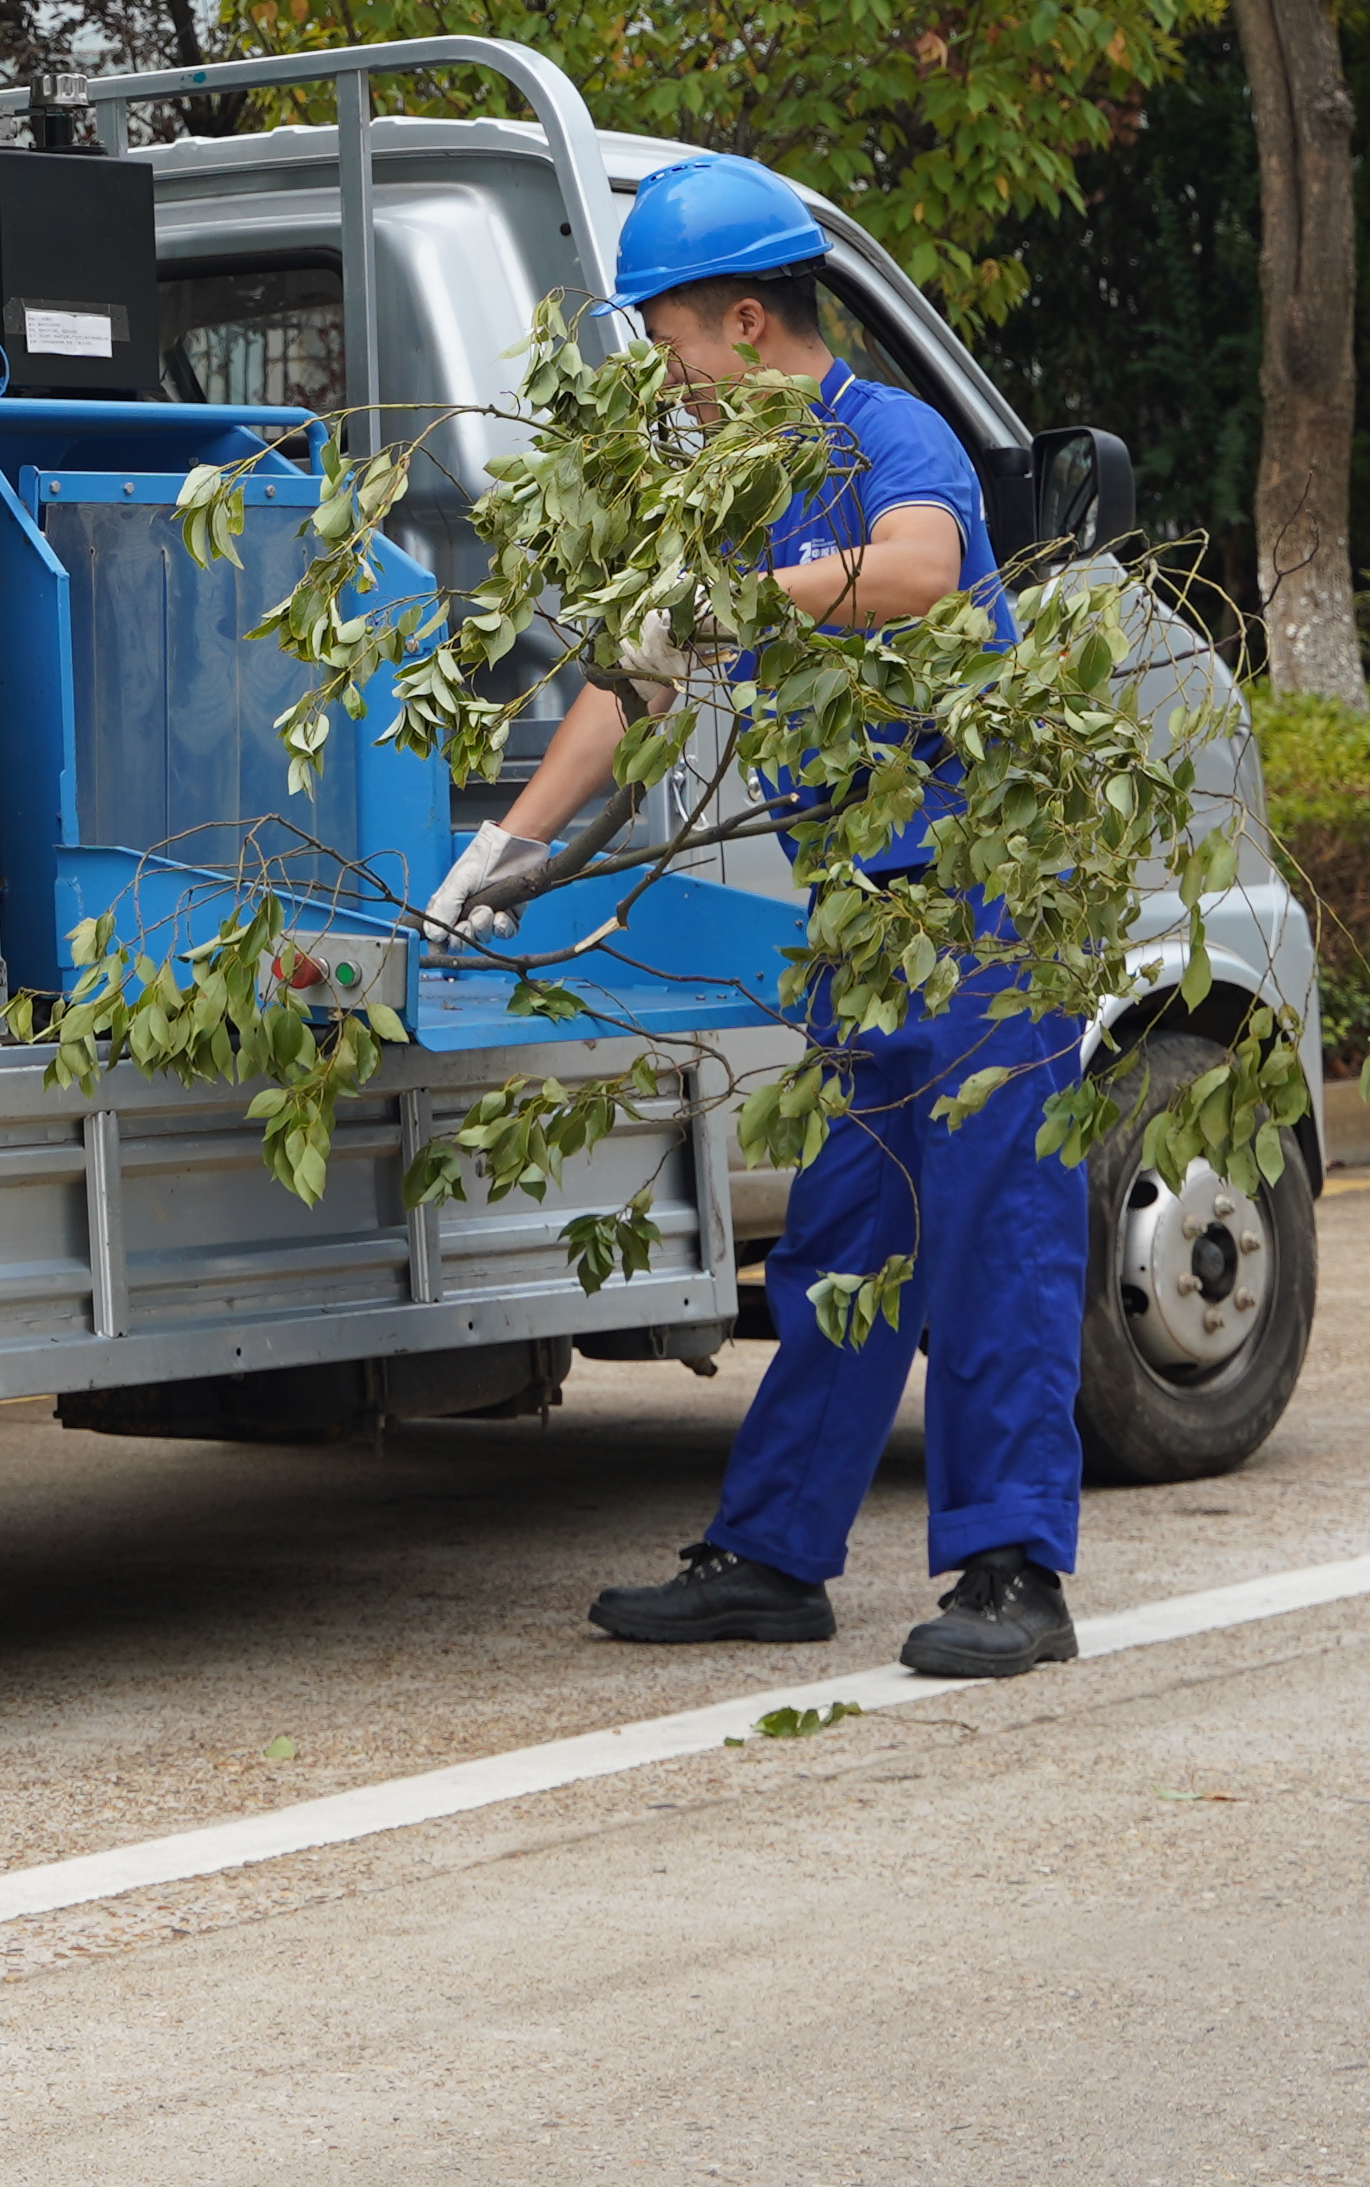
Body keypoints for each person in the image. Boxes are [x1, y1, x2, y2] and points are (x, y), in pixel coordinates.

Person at [416, 152, 1089, 1681]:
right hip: (864, 913)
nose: (665, 378)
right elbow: (633, 684)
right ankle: (776, 1556)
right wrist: (504, 849)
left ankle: (1013, 1575)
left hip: (985, 902)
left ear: (741, 320)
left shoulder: (888, 435)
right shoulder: (734, 494)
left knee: (995, 1232)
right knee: (846, 1236)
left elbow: (919, 569)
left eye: (667, 343)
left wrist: (738, 605)